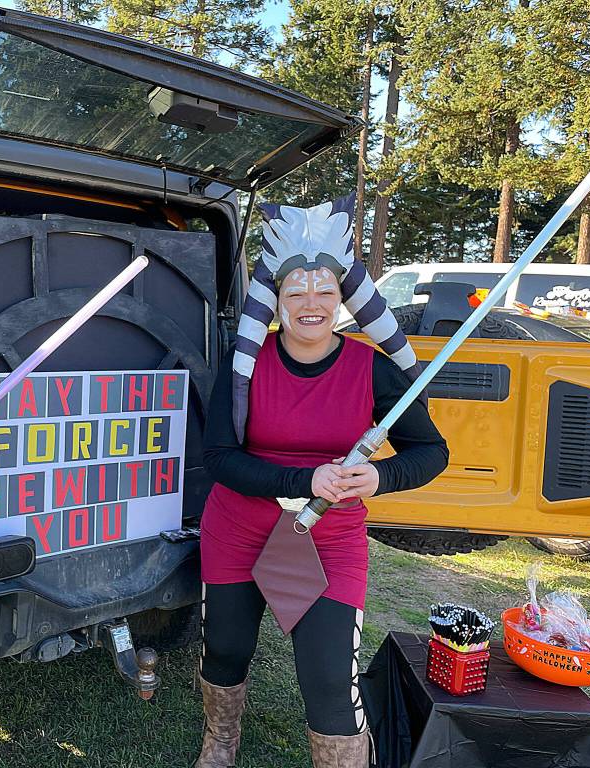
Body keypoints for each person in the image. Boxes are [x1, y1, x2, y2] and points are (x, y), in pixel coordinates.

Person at [194, 194, 449, 768]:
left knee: (331, 682)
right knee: (225, 651)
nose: (312, 303)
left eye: (326, 291)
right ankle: (220, 741)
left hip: (329, 543)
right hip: (238, 531)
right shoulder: (244, 366)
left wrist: (376, 477)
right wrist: (307, 477)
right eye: (296, 291)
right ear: (276, 300)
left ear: (344, 299)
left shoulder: (373, 368)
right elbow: (219, 459)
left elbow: (431, 451)